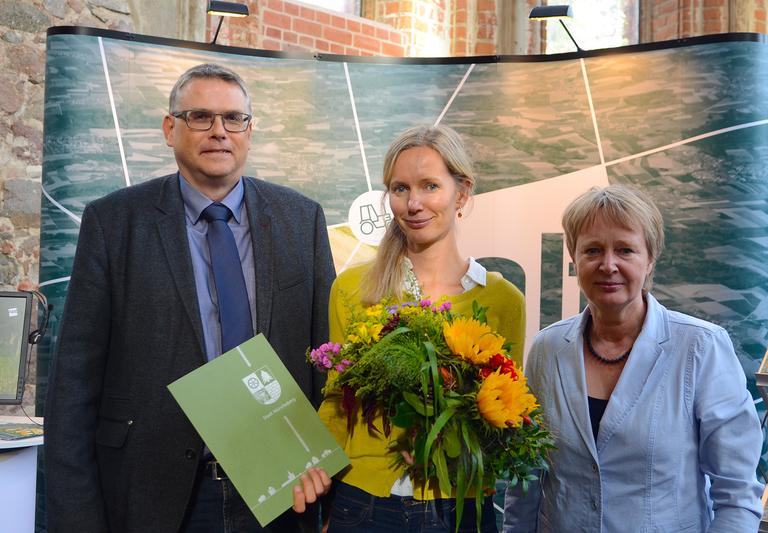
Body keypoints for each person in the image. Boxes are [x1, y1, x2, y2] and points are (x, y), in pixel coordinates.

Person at [44, 63, 335, 532]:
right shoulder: (114, 224)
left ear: (249, 130)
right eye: (200, 116)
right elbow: (74, 387)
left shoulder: (301, 220)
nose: (219, 132)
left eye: (233, 119)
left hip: (286, 492)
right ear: (170, 129)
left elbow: (328, 364)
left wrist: (335, 493)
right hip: (157, 494)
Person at [502, 185, 764, 532]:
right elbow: (526, 484)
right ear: (574, 257)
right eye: (592, 250)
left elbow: (737, 497)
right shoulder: (546, 350)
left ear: (650, 258)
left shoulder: (701, 348)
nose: (608, 265)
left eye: (625, 250)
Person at [317, 124, 526, 532]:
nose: (414, 203)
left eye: (430, 186)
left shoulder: (503, 301)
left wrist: (452, 447)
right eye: (400, 189)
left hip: (459, 507)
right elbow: (336, 402)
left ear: (462, 193)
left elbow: (506, 416)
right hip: (362, 504)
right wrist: (313, 478)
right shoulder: (351, 290)